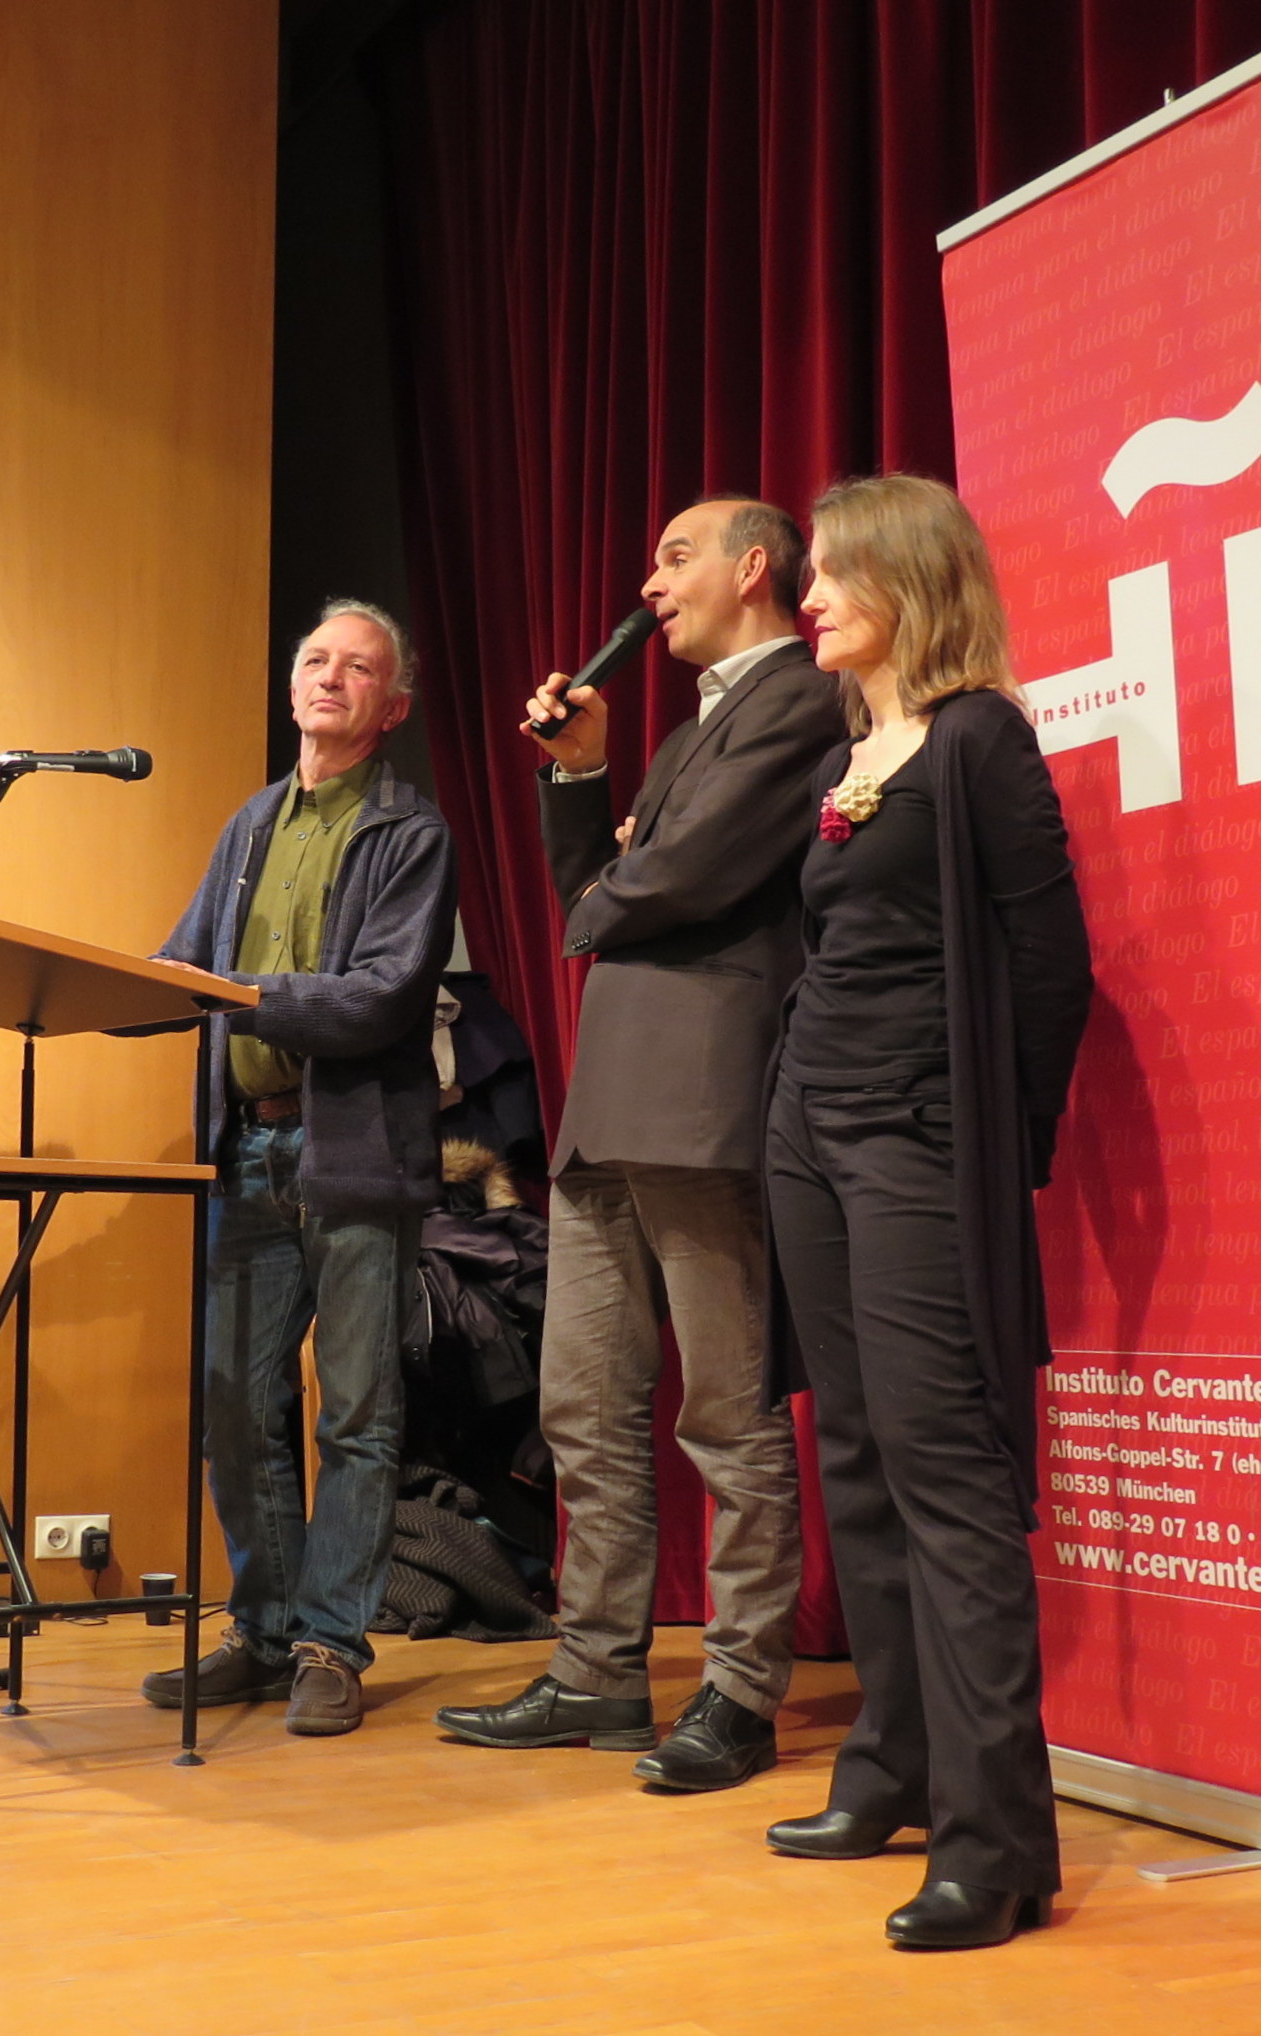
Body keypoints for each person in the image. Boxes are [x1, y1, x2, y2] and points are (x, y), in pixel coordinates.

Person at [438, 497, 840, 1791]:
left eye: (675, 557)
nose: (650, 583)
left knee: (724, 1412)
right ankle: (596, 1669)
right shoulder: (687, 732)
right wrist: (582, 774)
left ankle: (740, 1687)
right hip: (610, 1108)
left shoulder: (796, 702)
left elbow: (683, 877)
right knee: (582, 1404)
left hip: (702, 1102)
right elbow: (594, 891)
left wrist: (628, 867)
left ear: (752, 566)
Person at [758, 474, 1091, 1950]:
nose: (809, 596)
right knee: (854, 1457)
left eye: (835, 572)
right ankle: (886, 1766)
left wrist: (987, 1142)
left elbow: (1050, 964)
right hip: (807, 1131)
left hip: (913, 1136)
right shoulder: (854, 752)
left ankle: (994, 1841)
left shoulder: (976, 739)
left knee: (944, 1471)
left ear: (909, 580)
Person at [138, 598, 458, 1736]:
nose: (329, 676)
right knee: (234, 1404)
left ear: (391, 706)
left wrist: (236, 995)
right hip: (245, 1146)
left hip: (353, 1153)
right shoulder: (250, 824)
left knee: (356, 1415)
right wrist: (78, 989)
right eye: (315, 659)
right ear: (290, 687)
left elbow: (380, 996)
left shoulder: (410, 833)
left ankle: (330, 1642)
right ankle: (264, 1632)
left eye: (357, 666)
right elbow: (182, 964)